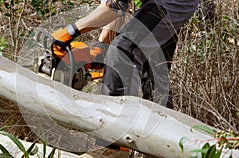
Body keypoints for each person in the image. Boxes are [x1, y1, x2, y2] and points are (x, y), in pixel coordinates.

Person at [52, 0, 199, 108]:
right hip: (166, 4)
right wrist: (101, 49)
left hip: (172, 4)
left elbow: (112, 9)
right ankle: (164, 139)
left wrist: (68, 33)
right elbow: (115, 7)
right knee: (155, 74)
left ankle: (115, 143)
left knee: (124, 51)